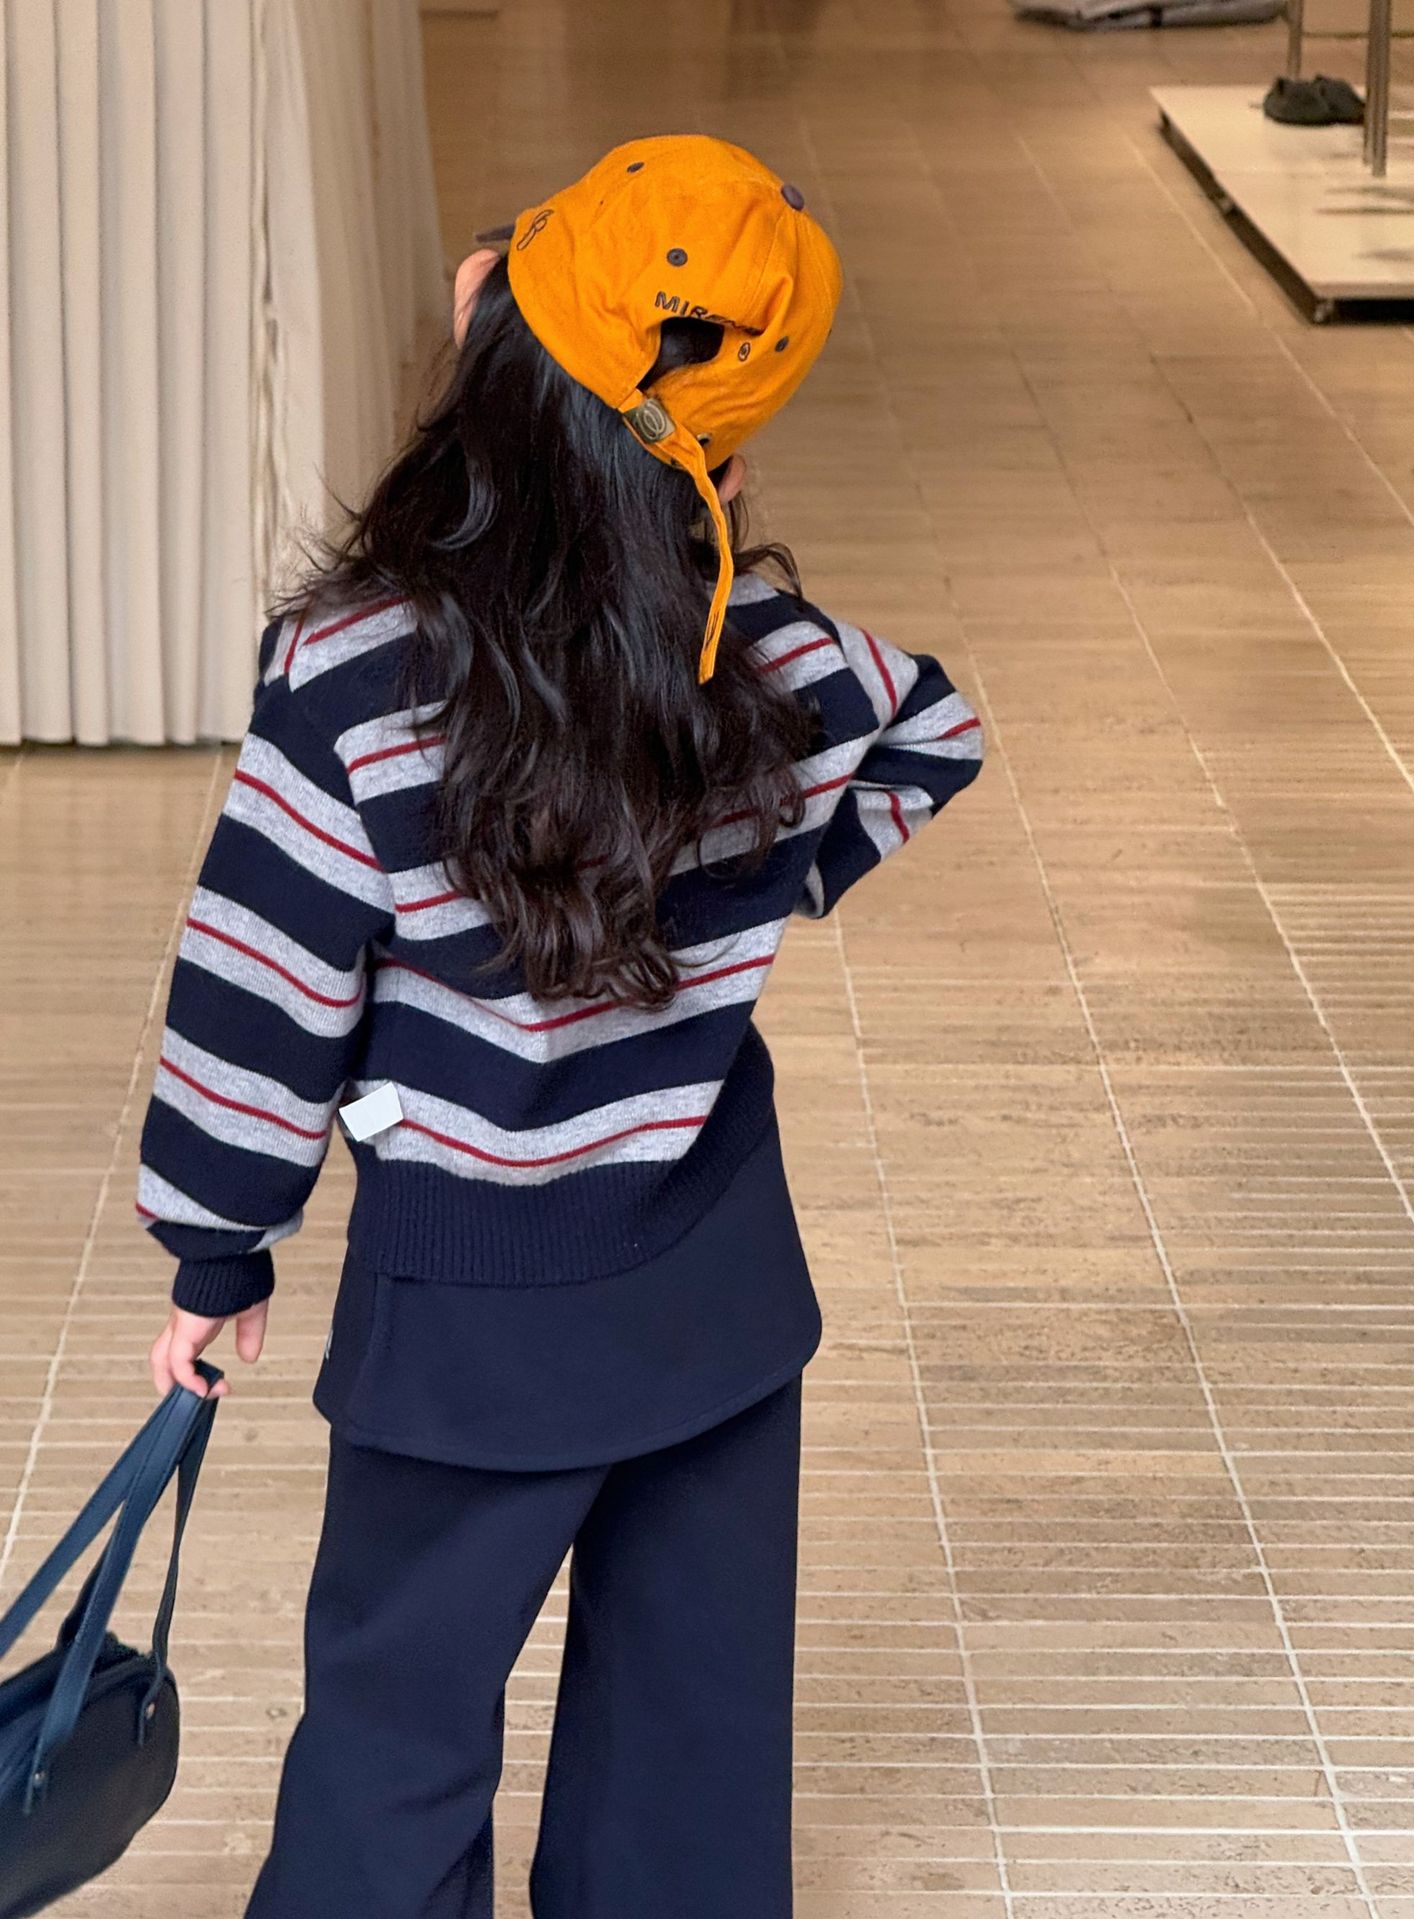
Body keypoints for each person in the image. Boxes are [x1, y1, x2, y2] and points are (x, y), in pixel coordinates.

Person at [136, 135, 984, 1919]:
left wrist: (217, 1247)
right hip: (717, 1284)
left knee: (397, 1732)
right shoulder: (772, 658)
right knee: (691, 1747)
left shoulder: (357, 674)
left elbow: (261, 992)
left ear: (504, 355)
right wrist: (751, 888)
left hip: (470, 1313)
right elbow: (932, 735)